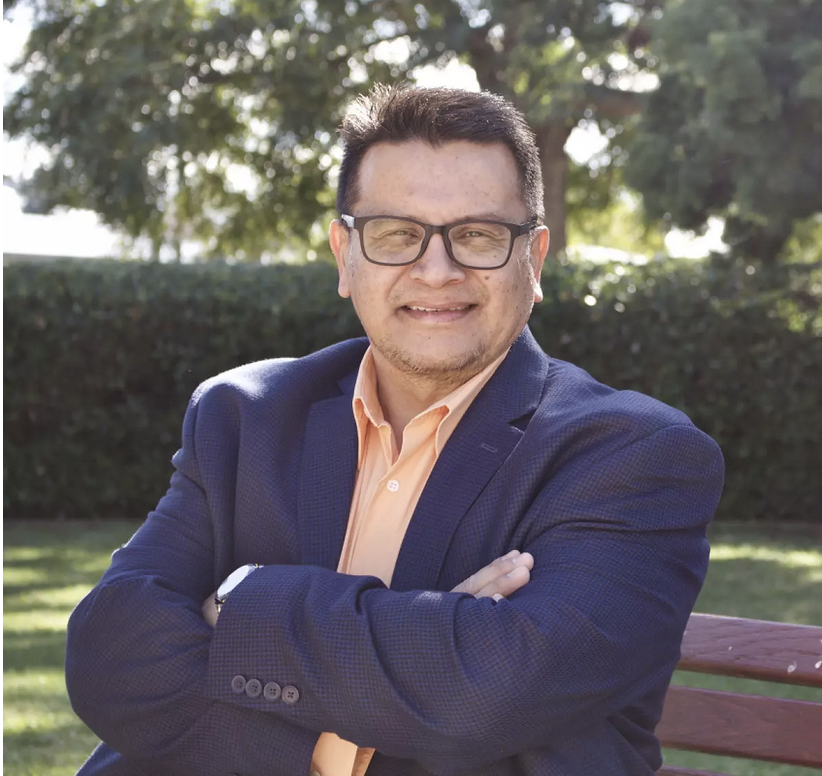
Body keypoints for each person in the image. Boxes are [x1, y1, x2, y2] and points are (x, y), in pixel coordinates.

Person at [65, 84, 724, 776]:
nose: (436, 271)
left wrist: (238, 601)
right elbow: (111, 653)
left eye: (477, 235)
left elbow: (492, 693)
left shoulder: (634, 456)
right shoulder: (244, 415)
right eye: (396, 234)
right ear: (345, 254)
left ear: (534, 260)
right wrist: (427, 640)